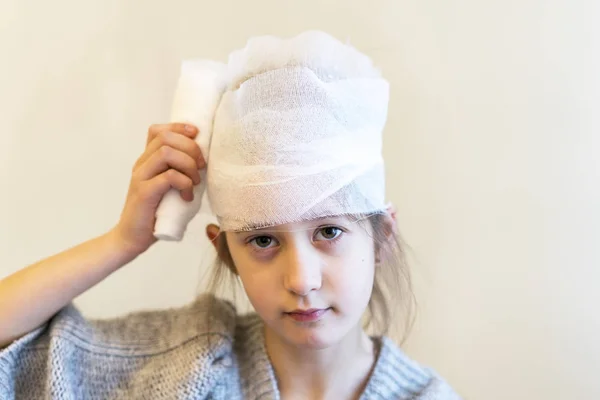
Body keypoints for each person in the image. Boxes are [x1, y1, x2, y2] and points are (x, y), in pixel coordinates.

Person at [0, 31, 461, 399]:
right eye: (263, 240)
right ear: (226, 251)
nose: (301, 281)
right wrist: (123, 240)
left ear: (382, 236)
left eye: (329, 230)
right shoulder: (185, 362)